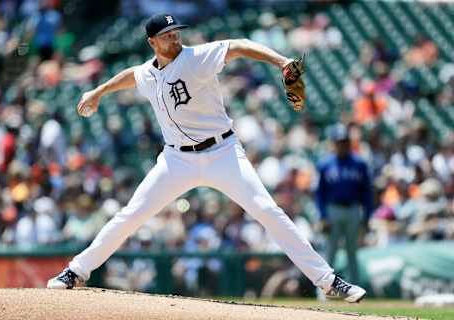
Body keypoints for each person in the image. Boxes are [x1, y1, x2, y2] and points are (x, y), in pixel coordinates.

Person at [47, 13, 366, 302]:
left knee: (268, 210)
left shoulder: (197, 57)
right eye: (168, 35)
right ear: (152, 42)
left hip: (222, 153)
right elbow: (133, 75)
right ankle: (76, 271)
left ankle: (328, 281)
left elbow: (239, 45)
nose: (175, 37)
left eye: (176, 32)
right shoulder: (148, 73)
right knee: (131, 214)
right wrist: (98, 92)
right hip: (176, 162)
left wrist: (282, 61)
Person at [316, 124, 373, 284]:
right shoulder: (325, 164)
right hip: (333, 209)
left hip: (353, 209)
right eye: (339, 142)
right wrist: (322, 216)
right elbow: (320, 194)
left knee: (352, 253)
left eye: (345, 141)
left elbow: (367, 193)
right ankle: (324, 291)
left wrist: (367, 216)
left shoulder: (360, 163)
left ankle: (355, 288)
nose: (343, 145)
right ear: (333, 143)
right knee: (330, 252)